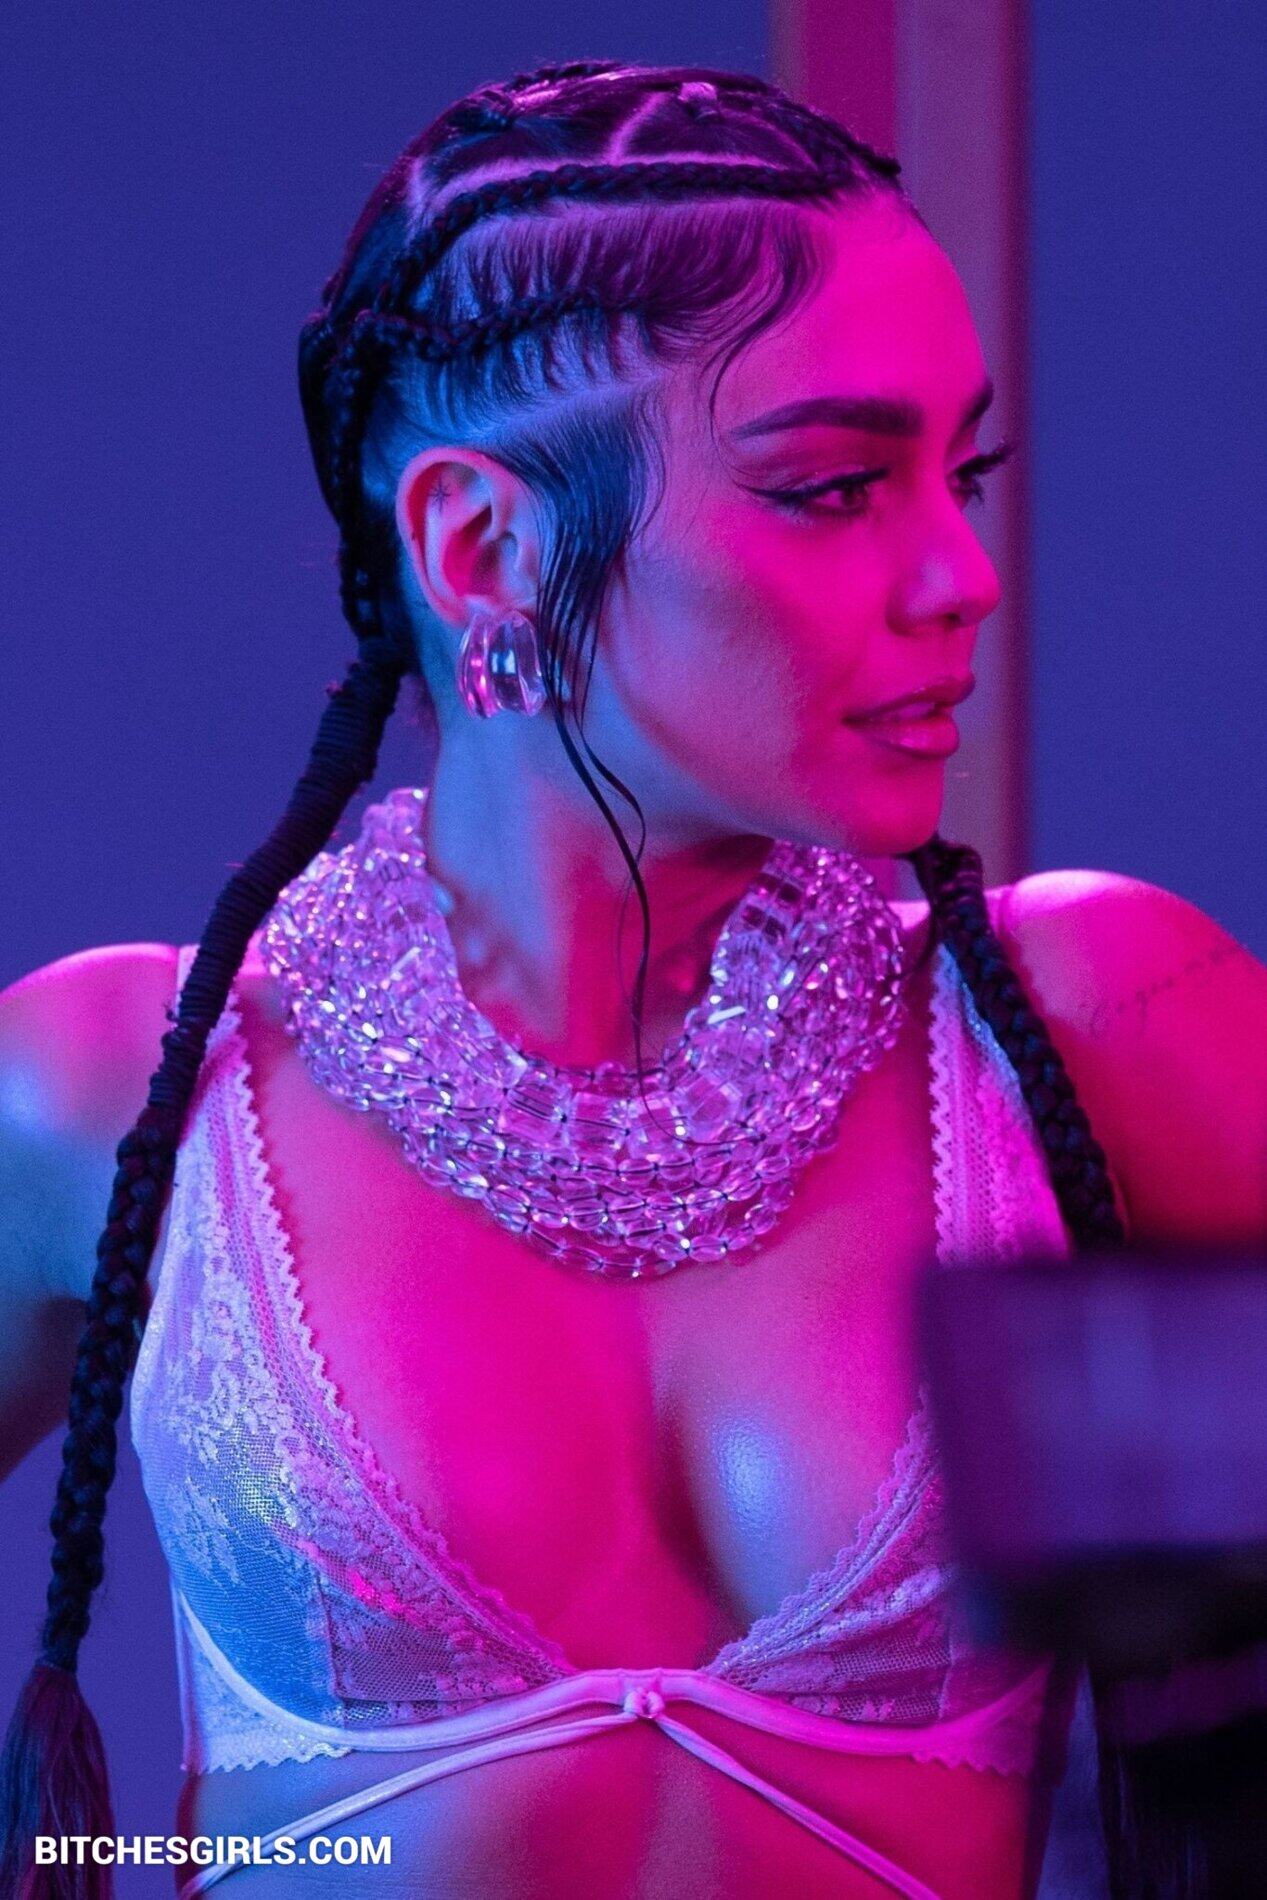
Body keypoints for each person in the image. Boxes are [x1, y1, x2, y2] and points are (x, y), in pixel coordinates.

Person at [1, 57, 1263, 1900]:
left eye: (963, 472)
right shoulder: (127, 1090)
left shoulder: (1077, 1031)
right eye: (836, 486)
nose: (961, 574)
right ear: (483, 548)